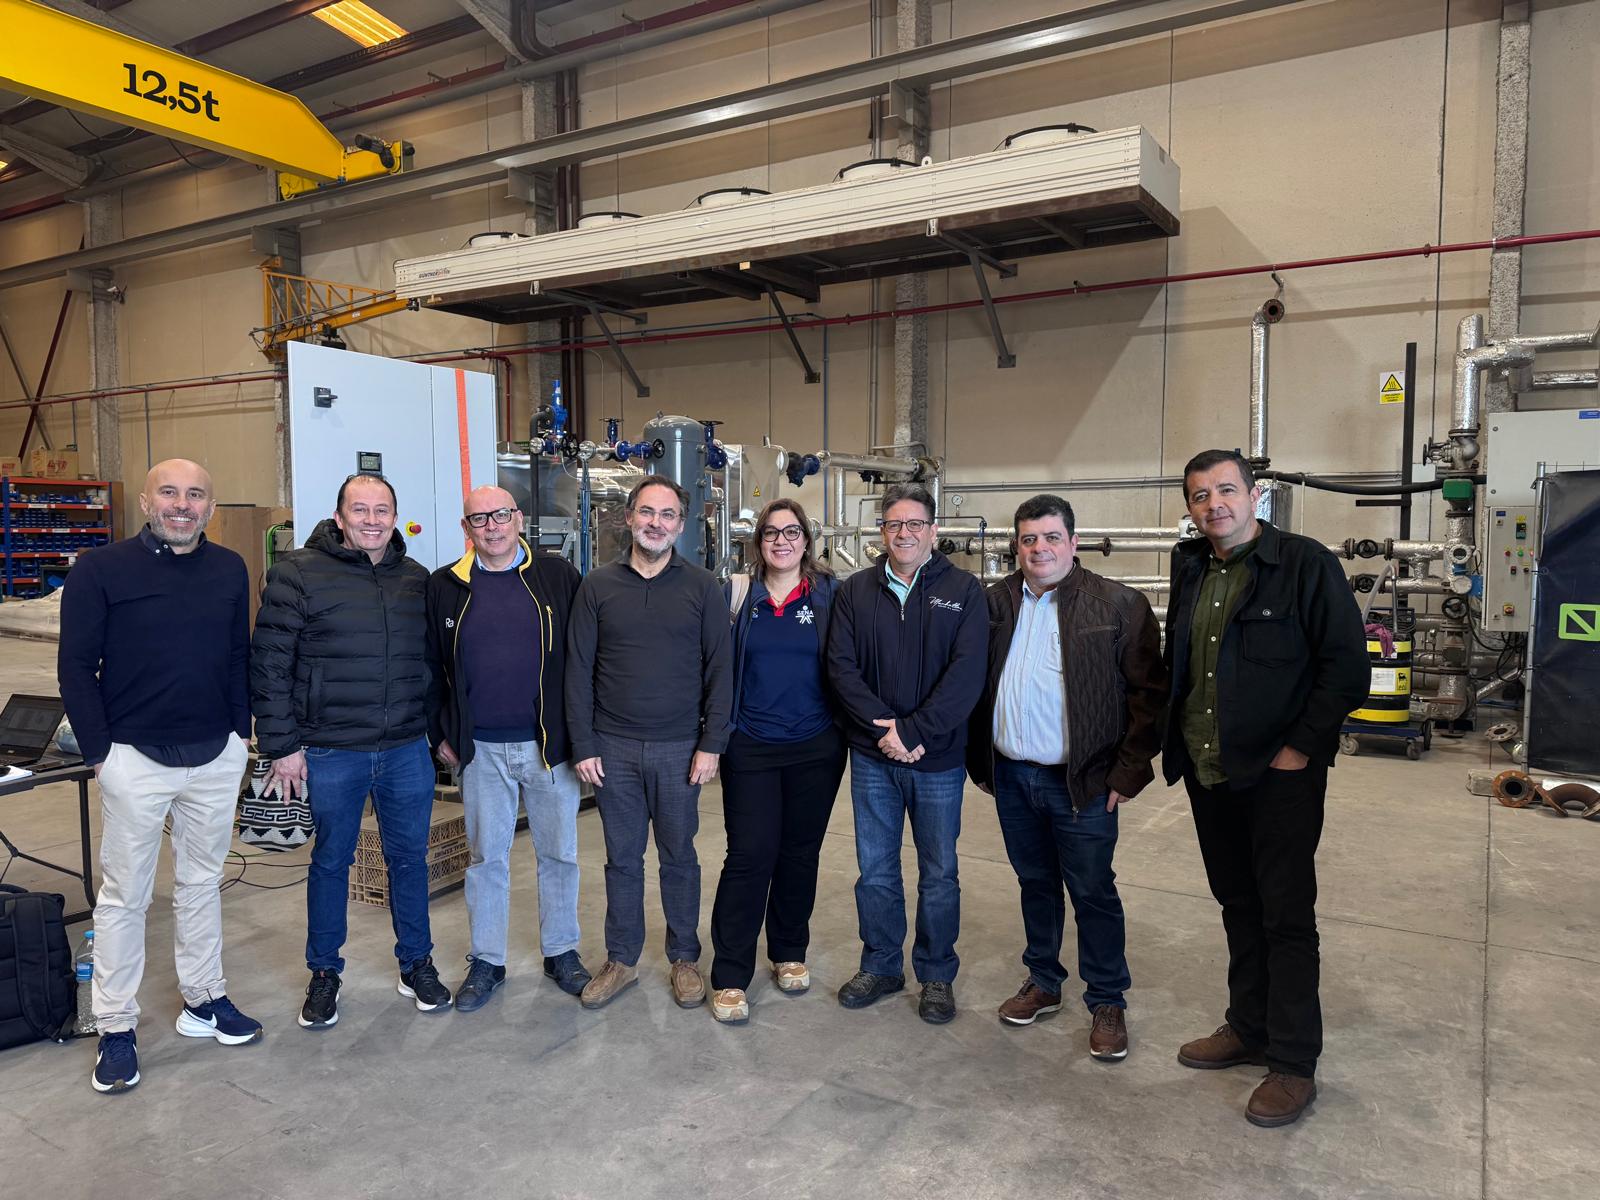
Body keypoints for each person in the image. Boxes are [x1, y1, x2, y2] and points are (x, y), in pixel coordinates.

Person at [1162, 449, 1367, 1127]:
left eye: (1225, 490)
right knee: (1237, 904)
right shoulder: (1191, 566)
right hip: (1209, 769)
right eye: (1200, 495)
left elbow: (1347, 668)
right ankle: (1248, 1027)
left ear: (1255, 496)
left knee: (1286, 916)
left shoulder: (1305, 564)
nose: (1213, 504)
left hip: (1279, 777)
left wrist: (1298, 749)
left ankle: (1293, 1062)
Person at [58, 458, 257, 1094]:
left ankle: (204, 998)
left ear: (210, 507)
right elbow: (75, 667)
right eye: (168, 492)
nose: (181, 504)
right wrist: (102, 754)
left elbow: (238, 655)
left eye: (195, 494)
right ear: (146, 502)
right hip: (134, 758)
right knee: (126, 897)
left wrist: (240, 735)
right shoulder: (100, 569)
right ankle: (116, 1026)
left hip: (214, 755)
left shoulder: (229, 568)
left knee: (201, 884)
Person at [966, 494, 1167, 1060]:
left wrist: (1128, 771)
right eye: (1029, 539)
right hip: (1012, 776)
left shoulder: (1118, 605)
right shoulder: (994, 604)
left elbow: (1149, 696)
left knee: (1092, 890)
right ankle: (1044, 981)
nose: (1040, 548)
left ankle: (1107, 999)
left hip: (1084, 781)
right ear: (1016, 546)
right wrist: (981, 761)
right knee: (1035, 883)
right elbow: (971, 684)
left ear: (1073, 543)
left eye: (1052, 537)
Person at [251, 474, 450, 1029]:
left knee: (409, 861)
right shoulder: (297, 573)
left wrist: (435, 733)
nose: (371, 520)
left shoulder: (415, 580)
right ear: (339, 517)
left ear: (395, 517)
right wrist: (282, 746)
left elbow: (431, 666)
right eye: (359, 510)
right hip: (330, 748)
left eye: (381, 510)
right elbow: (269, 665)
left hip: (404, 749)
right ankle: (324, 973)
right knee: (331, 862)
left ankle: (417, 963)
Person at [565, 476, 732, 1010]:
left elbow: (721, 670)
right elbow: (578, 669)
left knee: (679, 856)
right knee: (622, 859)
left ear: (680, 526)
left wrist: (712, 743)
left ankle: (684, 958)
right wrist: (583, 743)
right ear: (628, 517)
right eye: (646, 512)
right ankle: (622, 959)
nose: (655, 523)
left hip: (680, 748)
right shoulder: (597, 586)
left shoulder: (702, 587)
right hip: (612, 747)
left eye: (666, 515)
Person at [424, 486, 591, 1010]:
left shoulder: (556, 577)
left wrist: (583, 734)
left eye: (501, 515)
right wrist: (440, 733)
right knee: (485, 859)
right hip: (480, 750)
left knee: (559, 854)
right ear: (466, 528)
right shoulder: (445, 586)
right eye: (480, 519)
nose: (492, 526)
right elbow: (428, 667)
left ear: (518, 518)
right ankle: (487, 960)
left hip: (549, 747)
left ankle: (561, 952)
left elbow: (586, 656)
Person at [826, 482, 986, 1024]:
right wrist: (885, 732)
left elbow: (967, 675)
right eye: (894, 524)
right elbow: (841, 668)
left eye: (915, 524)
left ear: (933, 531)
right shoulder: (855, 590)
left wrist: (914, 733)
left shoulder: (964, 591)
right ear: (881, 531)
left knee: (939, 873)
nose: (904, 533)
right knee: (875, 870)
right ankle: (881, 965)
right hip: (874, 758)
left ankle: (936, 975)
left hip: (937, 760)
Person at [707, 499, 847, 1024]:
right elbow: (713, 667)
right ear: (758, 541)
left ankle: (789, 950)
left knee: (800, 853)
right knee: (749, 856)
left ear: (806, 540)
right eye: (771, 533)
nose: (781, 541)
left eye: (791, 532)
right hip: (751, 746)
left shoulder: (830, 595)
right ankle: (730, 974)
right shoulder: (738, 594)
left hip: (817, 746)